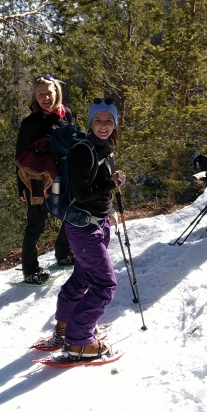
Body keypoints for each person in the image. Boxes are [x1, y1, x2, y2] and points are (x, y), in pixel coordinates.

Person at [51, 98, 126, 360]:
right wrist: (111, 184)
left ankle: (65, 327)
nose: (103, 126)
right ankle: (78, 340)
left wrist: (111, 187)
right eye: (98, 120)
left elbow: (98, 185)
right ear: (90, 122)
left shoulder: (104, 147)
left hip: (96, 223)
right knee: (105, 284)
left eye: (108, 121)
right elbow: (82, 194)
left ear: (115, 124)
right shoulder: (84, 151)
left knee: (83, 277)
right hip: (83, 227)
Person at [15, 74, 75, 285]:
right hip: (37, 180)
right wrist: (21, 186)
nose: (45, 98)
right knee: (36, 222)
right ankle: (30, 269)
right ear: (35, 97)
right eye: (40, 95)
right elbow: (20, 155)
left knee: (69, 212)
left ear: (57, 92)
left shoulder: (66, 114)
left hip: (62, 175)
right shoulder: (30, 122)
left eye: (48, 93)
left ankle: (63, 252)